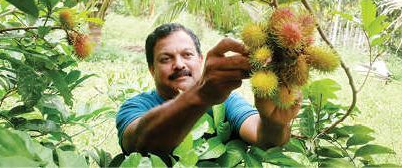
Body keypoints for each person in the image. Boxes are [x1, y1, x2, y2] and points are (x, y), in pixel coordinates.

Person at [116, 23, 300, 157]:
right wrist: (201, 95)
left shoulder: (227, 102)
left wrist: (274, 123)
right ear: (151, 69)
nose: (179, 64)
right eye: (166, 59)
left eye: (187, 55)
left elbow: (264, 138)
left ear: (200, 59)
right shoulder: (135, 107)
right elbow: (141, 143)